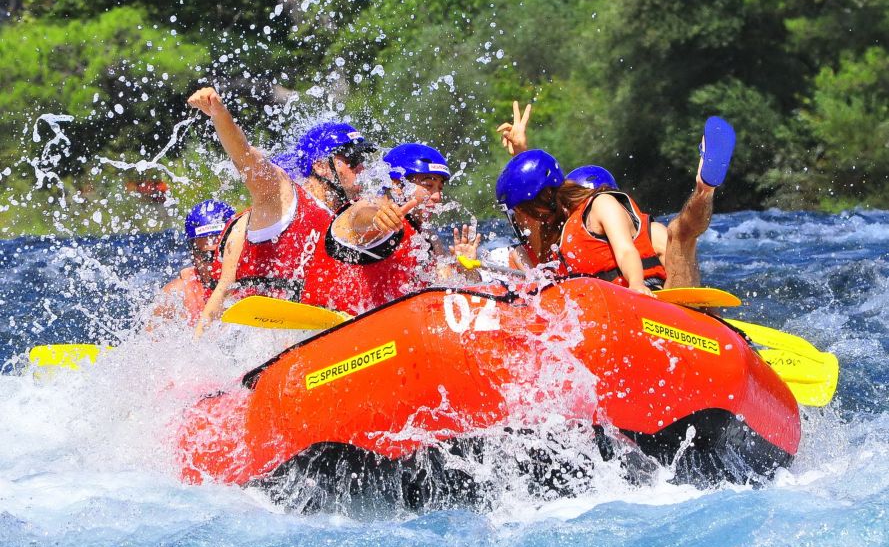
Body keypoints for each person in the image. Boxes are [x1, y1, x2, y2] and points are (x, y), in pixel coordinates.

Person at [186, 87, 374, 335]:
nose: (361, 167)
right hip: (253, 342)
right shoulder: (282, 196)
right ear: (321, 166)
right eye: (351, 159)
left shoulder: (342, 217)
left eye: (363, 159)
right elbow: (246, 158)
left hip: (309, 338)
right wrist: (220, 115)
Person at [495, 109, 735, 293]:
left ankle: (704, 189)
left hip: (649, 302)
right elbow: (536, 187)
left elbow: (625, 250)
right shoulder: (558, 233)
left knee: (678, 233)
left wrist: (637, 284)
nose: (517, 220)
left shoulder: (602, 205)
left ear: (535, 204)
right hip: (606, 312)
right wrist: (521, 155)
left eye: (518, 212)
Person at [325, 143, 481, 310]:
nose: (437, 196)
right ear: (397, 185)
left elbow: (447, 287)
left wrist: (466, 270)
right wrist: (378, 220)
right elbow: (359, 218)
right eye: (429, 186)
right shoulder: (369, 205)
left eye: (439, 188)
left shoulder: (427, 236)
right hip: (338, 322)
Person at [154, 199, 235, 325]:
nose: (215, 264)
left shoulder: (254, 285)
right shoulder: (176, 296)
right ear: (193, 255)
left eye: (222, 254)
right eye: (208, 256)